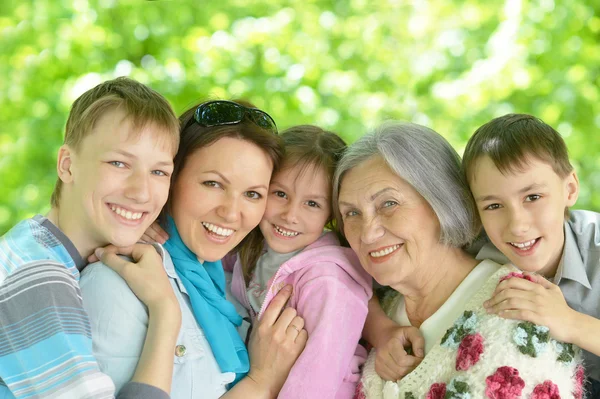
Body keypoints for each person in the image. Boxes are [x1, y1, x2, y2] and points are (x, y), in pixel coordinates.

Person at [334, 121, 583, 398]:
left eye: (388, 204)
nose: (368, 234)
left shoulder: (520, 312)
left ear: (442, 201)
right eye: (352, 213)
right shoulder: (373, 311)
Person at [80, 100, 308, 399]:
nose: (231, 213)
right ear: (171, 179)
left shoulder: (230, 294)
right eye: (213, 183)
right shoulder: (116, 285)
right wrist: (261, 382)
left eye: (252, 194)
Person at [0, 77, 183, 398]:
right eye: (119, 163)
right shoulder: (38, 275)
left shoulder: (36, 247)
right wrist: (166, 313)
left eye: (159, 172)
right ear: (67, 165)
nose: (141, 192)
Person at [223, 125, 372, 398]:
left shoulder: (327, 281)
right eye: (280, 194)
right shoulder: (252, 246)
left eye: (312, 204)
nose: (291, 215)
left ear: (332, 213)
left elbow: (319, 375)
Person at [462, 113, 600, 397]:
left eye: (533, 197)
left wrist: (568, 321)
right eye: (494, 206)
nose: (517, 225)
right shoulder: (470, 256)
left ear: (570, 189)